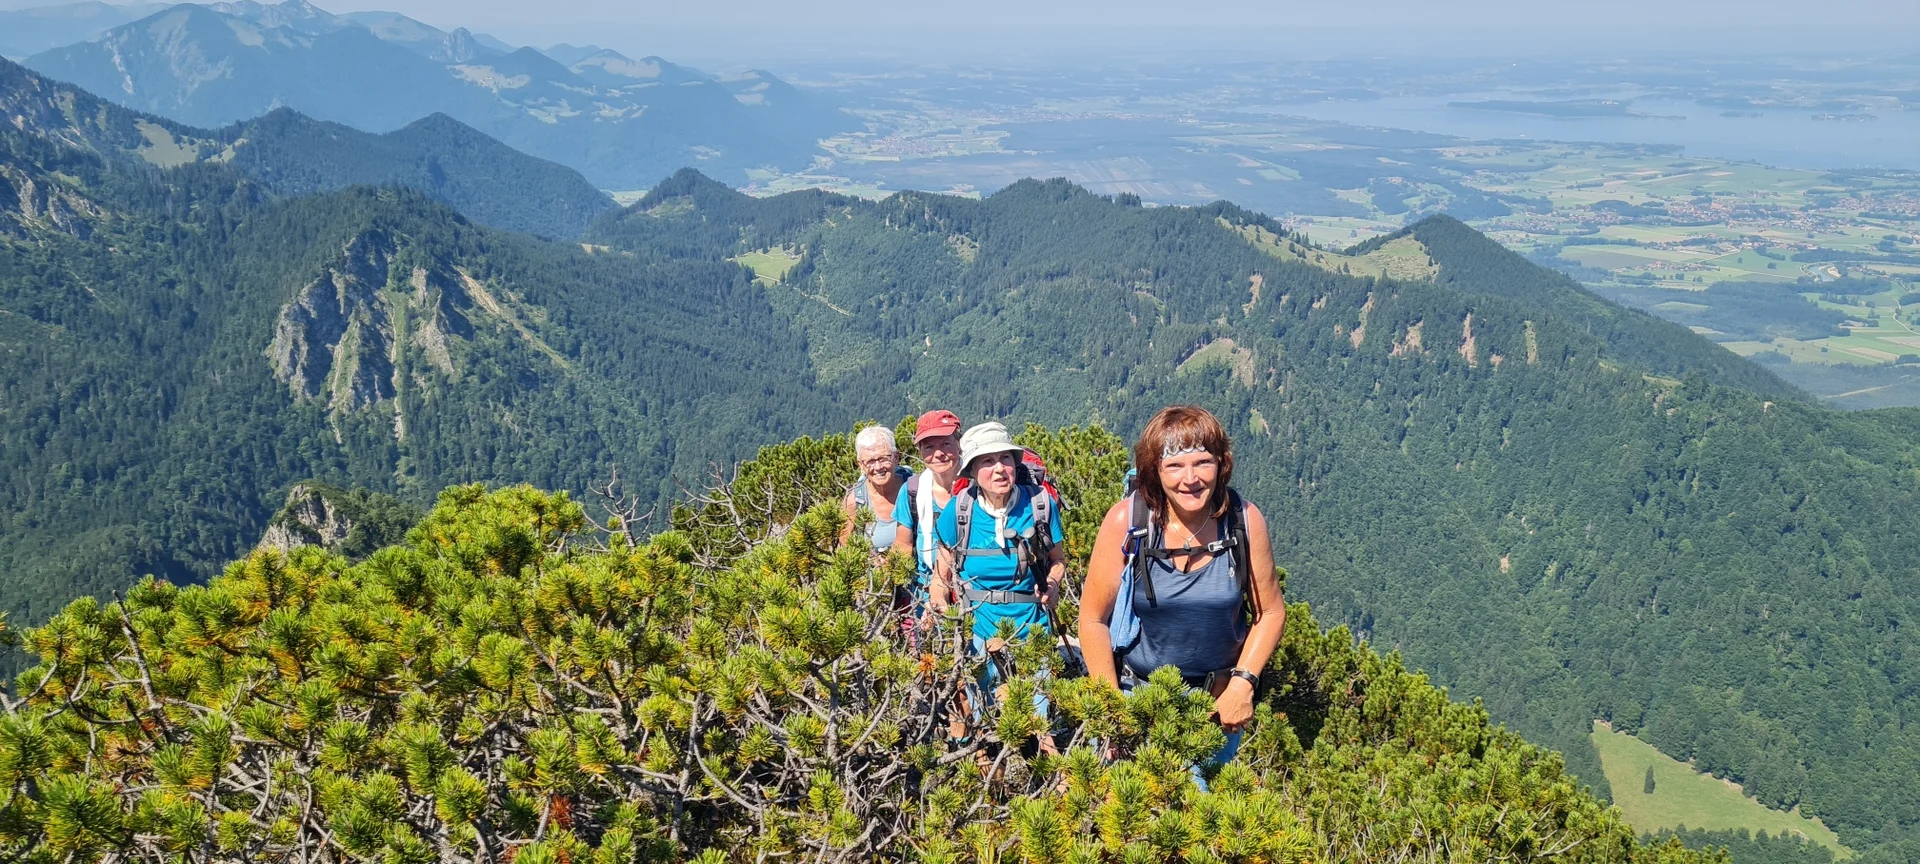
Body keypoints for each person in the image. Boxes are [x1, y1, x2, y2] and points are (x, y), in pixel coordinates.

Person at [1077, 405, 1286, 781]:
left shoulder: (1243, 521)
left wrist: (1244, 684)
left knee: (1197, 826)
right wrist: (1110, 710)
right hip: (1135, 699)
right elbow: (1093, 619)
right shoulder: (1128, 521)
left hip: (1215, 707)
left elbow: (1269, 612)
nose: (1190, 479)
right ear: (1154, 470)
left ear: (1222, 465)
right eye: (1174, 466)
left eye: (1202, 463)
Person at [927, 421, 1065, 744]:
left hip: (1033, 630)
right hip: (979, 632)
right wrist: (944, 622)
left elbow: (1058, 561)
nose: (999, 469)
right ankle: (993, 787)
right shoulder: (959, 512)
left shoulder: (1040, 505)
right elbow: (940, 576)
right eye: (988, 461)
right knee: (986, 727)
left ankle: (1048, 786)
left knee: (1040, 729)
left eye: (1005, 458)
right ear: (973, 470)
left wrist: (1053, 585)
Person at [891, 410, 964, 616]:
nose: (938, 453)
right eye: (929, 447)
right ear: (921, 451)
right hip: (923, 595)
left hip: (972, 591)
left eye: (946, 444)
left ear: (959, 444)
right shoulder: (912, 490)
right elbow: (903, 544)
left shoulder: (978, 488)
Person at [839, 425, 909, 558]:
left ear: (896, 458)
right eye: (870, 461)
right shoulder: (856, 500)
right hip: (874, 575)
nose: (878, 467)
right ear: (860, 465)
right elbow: (844, 545)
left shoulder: (914, 489)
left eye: (883, 458)